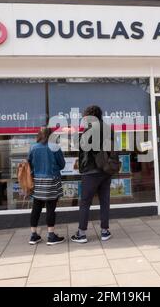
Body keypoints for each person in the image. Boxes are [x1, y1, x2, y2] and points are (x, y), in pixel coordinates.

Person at [71, 105, 114, 244]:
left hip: (91, 171)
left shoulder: (90, 129)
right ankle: (104, 231)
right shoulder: (108, 128)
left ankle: (81, 233)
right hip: (106, 170)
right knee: (104, 201)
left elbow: (81, 145)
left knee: (85, 202)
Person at [28, 127, 66, 245]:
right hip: (52, 180)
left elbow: (29, 163)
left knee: (36, 208)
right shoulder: (55, 147)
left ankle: (33, 235)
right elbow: (62, 164)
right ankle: (51, 235)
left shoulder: (33, 147)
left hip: (37, 181)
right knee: (51, 208)